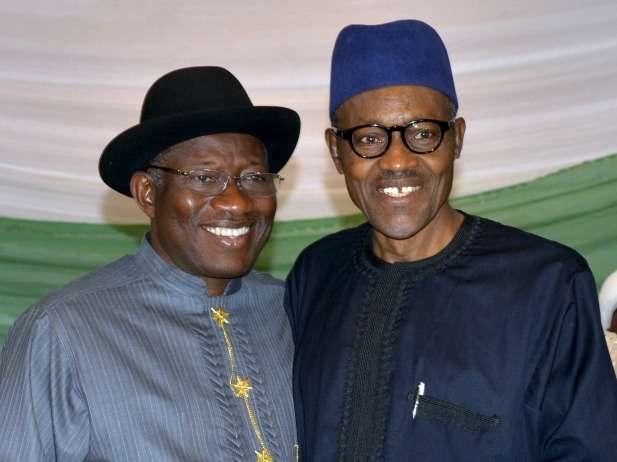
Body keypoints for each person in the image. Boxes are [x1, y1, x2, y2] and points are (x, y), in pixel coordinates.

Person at [285, 20, 617, 461]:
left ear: (456, 139)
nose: (397, 161)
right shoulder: (316, 274)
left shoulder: (545, 284)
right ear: (336, 152)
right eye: (369, 138)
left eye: (423, 134)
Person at [0, 66, 299, 462]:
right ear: (147, 193)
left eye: (255, 178)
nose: (237, 202)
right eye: (205, 178)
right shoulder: (63, 331)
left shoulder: (293, 311)